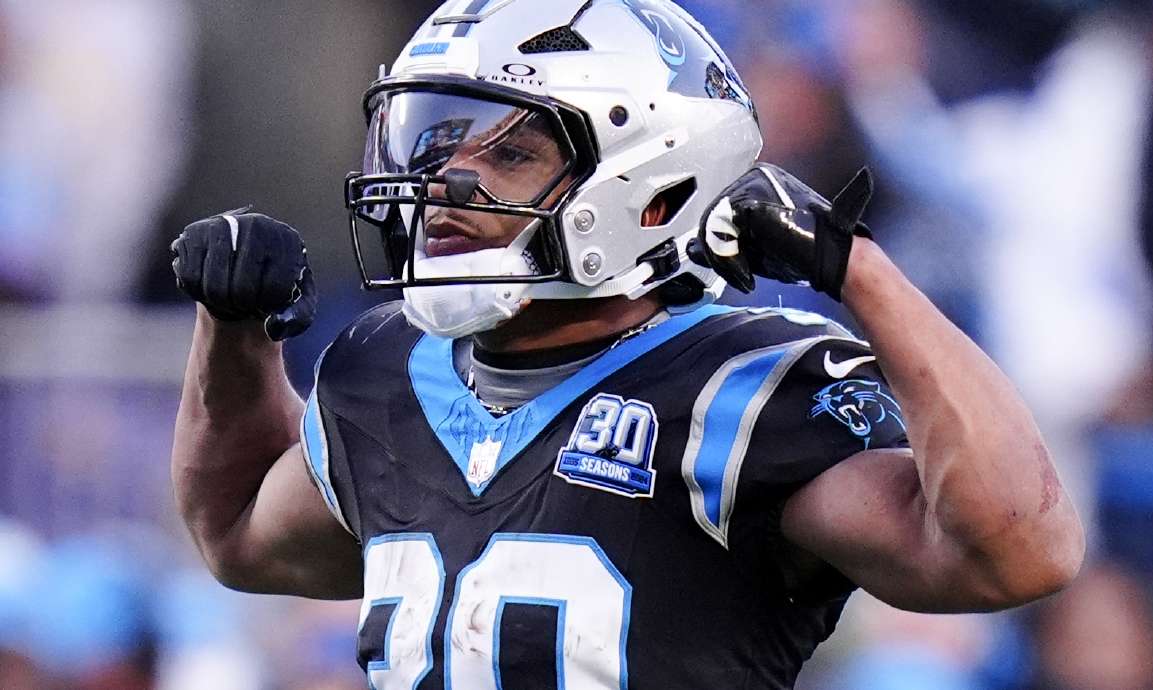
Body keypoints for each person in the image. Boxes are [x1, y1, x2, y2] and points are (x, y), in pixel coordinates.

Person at [170, 1, 1084, 688]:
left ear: (647, 186)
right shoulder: (386, 371)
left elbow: (1018, 551)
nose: (444, 180)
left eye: (509, 153)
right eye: (434, 139)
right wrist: (233, 330)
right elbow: (240, 536)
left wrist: (865, 277)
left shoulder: (743, 389)